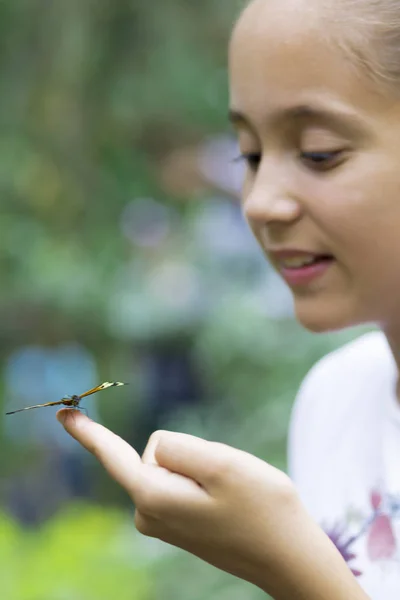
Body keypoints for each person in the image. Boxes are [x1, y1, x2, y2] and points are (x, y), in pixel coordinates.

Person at [56, 0, 400, 597]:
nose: (260, 202)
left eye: (319, 152)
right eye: (251, 155)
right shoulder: (333, 399)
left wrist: (292, 568)